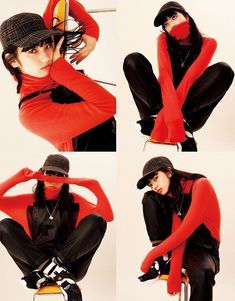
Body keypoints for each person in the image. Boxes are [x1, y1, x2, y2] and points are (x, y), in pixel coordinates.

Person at [0, 0, 116, 151]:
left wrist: (91, 29)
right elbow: (111, 105)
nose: (46, 57)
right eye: (32, 51)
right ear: (12, 60)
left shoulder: (52, 48)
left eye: (47, 45)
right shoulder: (31, 113)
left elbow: (59, 1)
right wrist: (61, 70)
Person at [0, 154, 114, 301]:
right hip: (35, 265)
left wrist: (93, 184)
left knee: (97, 220)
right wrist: (18, 178)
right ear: (41, 174)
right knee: (4, 225)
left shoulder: (75, 202)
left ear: (66, 179)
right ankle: (53, 272)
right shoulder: (28, 201)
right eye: (49, 173)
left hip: (70, 266)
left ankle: (53, 269)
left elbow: (108, 217)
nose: (53, 179)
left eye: (59, 175)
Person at [123, 1, 234, 151]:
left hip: (190, 113)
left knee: (224, 70)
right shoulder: (163, 40)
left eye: (174, 17)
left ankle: (172, 121)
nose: (171, 25)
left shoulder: (208, 43)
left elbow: (190, 79)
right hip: (155, 105)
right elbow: (165, 76)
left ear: (187, 17)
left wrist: (173, 117)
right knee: (133, 60)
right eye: (166, 24)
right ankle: (170, 122)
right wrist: (167, 112)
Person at [137, 156, 220, 301]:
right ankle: (162, 260)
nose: (154, 186)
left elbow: (185, 231)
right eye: (151, 184)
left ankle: (160, 257)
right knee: (149, 198)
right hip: (178, 246)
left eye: (156, 178)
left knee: (202, 272)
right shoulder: (174, 197)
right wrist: (174, 274)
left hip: (204, 248)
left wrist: (151, 255)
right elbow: (178, 233)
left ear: (169, 172)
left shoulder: (201, 185)